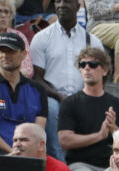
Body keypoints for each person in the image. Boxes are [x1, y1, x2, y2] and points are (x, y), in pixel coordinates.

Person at [30, 0, 103, 161]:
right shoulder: (42, 38)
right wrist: (60, 97)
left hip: (82, 96)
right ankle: (60, 166)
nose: (61, 5)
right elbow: (37, 78)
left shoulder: (92, 41)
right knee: (51, 108)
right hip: (52, 96)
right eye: (57, 1)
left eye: (67, 1)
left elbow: (100, 78)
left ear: (78, 6)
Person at [56, 46, 119, 171]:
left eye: (93, 64)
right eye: (82, 64)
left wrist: (113, 129)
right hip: (81, 164)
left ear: (105, 70)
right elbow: (65, 140)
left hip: (113, 165)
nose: (87, 68)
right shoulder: (70, 103)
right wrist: (99, 135)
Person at [0, 33, 46, 153]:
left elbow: (38, 132)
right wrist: (12, 153)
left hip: (26, 154)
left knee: (61, 165)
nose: (5, 55)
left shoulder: (38, 90)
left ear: (24, 54)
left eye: (11, 51)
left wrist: (22, 155)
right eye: (1, 51)